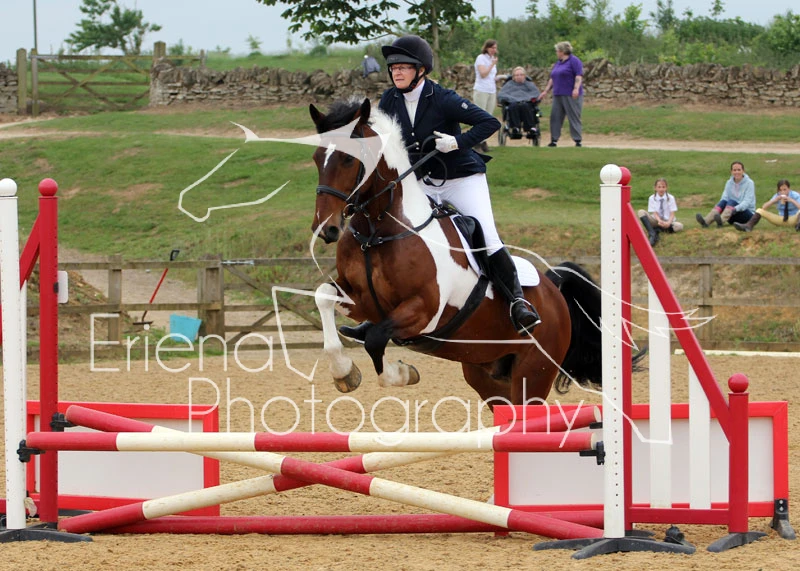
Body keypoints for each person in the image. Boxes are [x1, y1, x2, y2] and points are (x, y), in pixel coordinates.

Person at [377, 34, 540, 335]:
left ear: (421, 70)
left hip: (462, 179)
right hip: (423, 182)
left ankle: (518, 302)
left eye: (403, 67)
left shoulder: (443, 98)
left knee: (486, 235)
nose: (396, 73)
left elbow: (490, 123)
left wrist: (457, 142)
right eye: (393, 68)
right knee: (397, 234)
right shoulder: (389, 100)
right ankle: (381, 306)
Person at [539, 41, 583, 147]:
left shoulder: (574, 61)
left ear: (562, 51)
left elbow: (578, 76)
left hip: (570, 94)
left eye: (557, 51)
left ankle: (577, 139)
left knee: (573, 116)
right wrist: (546, 91)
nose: (556, 53)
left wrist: (576, 89)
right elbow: (553, 78)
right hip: (558, 94)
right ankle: (554, 139)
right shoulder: (558, 63)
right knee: (555, 117)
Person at [696, 161, 756, 228]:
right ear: (731, 172)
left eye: (739, 170)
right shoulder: (729, 183)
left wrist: (735, 209)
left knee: (731, 201)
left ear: (743, 171)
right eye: (734, 170)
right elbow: (724, 198)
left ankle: (721, 220)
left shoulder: (749, 183)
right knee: (723, 201)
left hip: (747, 215)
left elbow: (747, 202)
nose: (737, 172)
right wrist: (724, 209)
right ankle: (706, 221)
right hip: (731, 215)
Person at [734, 179, 800, 232]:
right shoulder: (777, 196)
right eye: (780, 190)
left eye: (785, 190)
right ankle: (748, 226)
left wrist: (791, 200)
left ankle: (798, 226)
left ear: (789, 189)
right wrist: (774, 200)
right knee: (760, 210)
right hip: (781, 219)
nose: (783, 192)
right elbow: (764, 207)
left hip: (793, 219)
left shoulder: (795, 195)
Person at [637, 178, 683, 246]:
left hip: (667, 221)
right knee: (641, 212)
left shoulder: (671, 198)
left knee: (679, 226)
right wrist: (659, 221)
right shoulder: (652, 198)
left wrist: (668, 223)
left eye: (663, 187)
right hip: (656, 220)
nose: (661, 189)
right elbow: (655, 213)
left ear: (666, 188)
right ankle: (652, 234)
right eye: (659, 187)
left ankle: (658, 230)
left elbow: (672, 213)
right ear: (655, 188)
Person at [472, 39, 499, 153]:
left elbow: (491, 76)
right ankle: (476, 142)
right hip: (481, 90)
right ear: (487, 48)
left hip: (491, 90)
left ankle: (483, 141)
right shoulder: (481, 58)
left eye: (495, 48)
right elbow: (483, 74)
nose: (494, 50)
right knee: (480, 116)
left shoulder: (492, 59)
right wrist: (492, 64)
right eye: (492, 48)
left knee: (488, 117)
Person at [497, 66, 541, 136]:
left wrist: (528, 99)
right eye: (517, 75)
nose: (519, 77)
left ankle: (530, 127)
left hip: (526, 103)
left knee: (526, 106)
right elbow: (502, 94)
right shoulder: (509, 85)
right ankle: (515, 127)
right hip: (513, 103)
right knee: (513, 106)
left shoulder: (529, 84)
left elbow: (536, 94)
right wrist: (510, 99)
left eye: (521, 75)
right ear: (513, 77)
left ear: (525, 76)